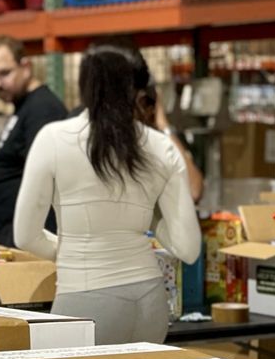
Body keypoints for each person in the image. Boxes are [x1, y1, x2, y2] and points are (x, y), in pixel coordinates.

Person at [14, 43, 201, 343]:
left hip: (85, 301)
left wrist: (75, 250)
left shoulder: (53, 139)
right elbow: (188, 248)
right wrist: (149, 222)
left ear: (84, 86)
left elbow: (25, 236)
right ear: (139, 89)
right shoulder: (160, 146)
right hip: (151, 303)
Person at [0, 36, 68, 249]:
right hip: (12, 235)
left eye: (4, 73)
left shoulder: (43, 110)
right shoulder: (24, 107)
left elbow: (47, 183)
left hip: (28, 241)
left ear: (26, 67)